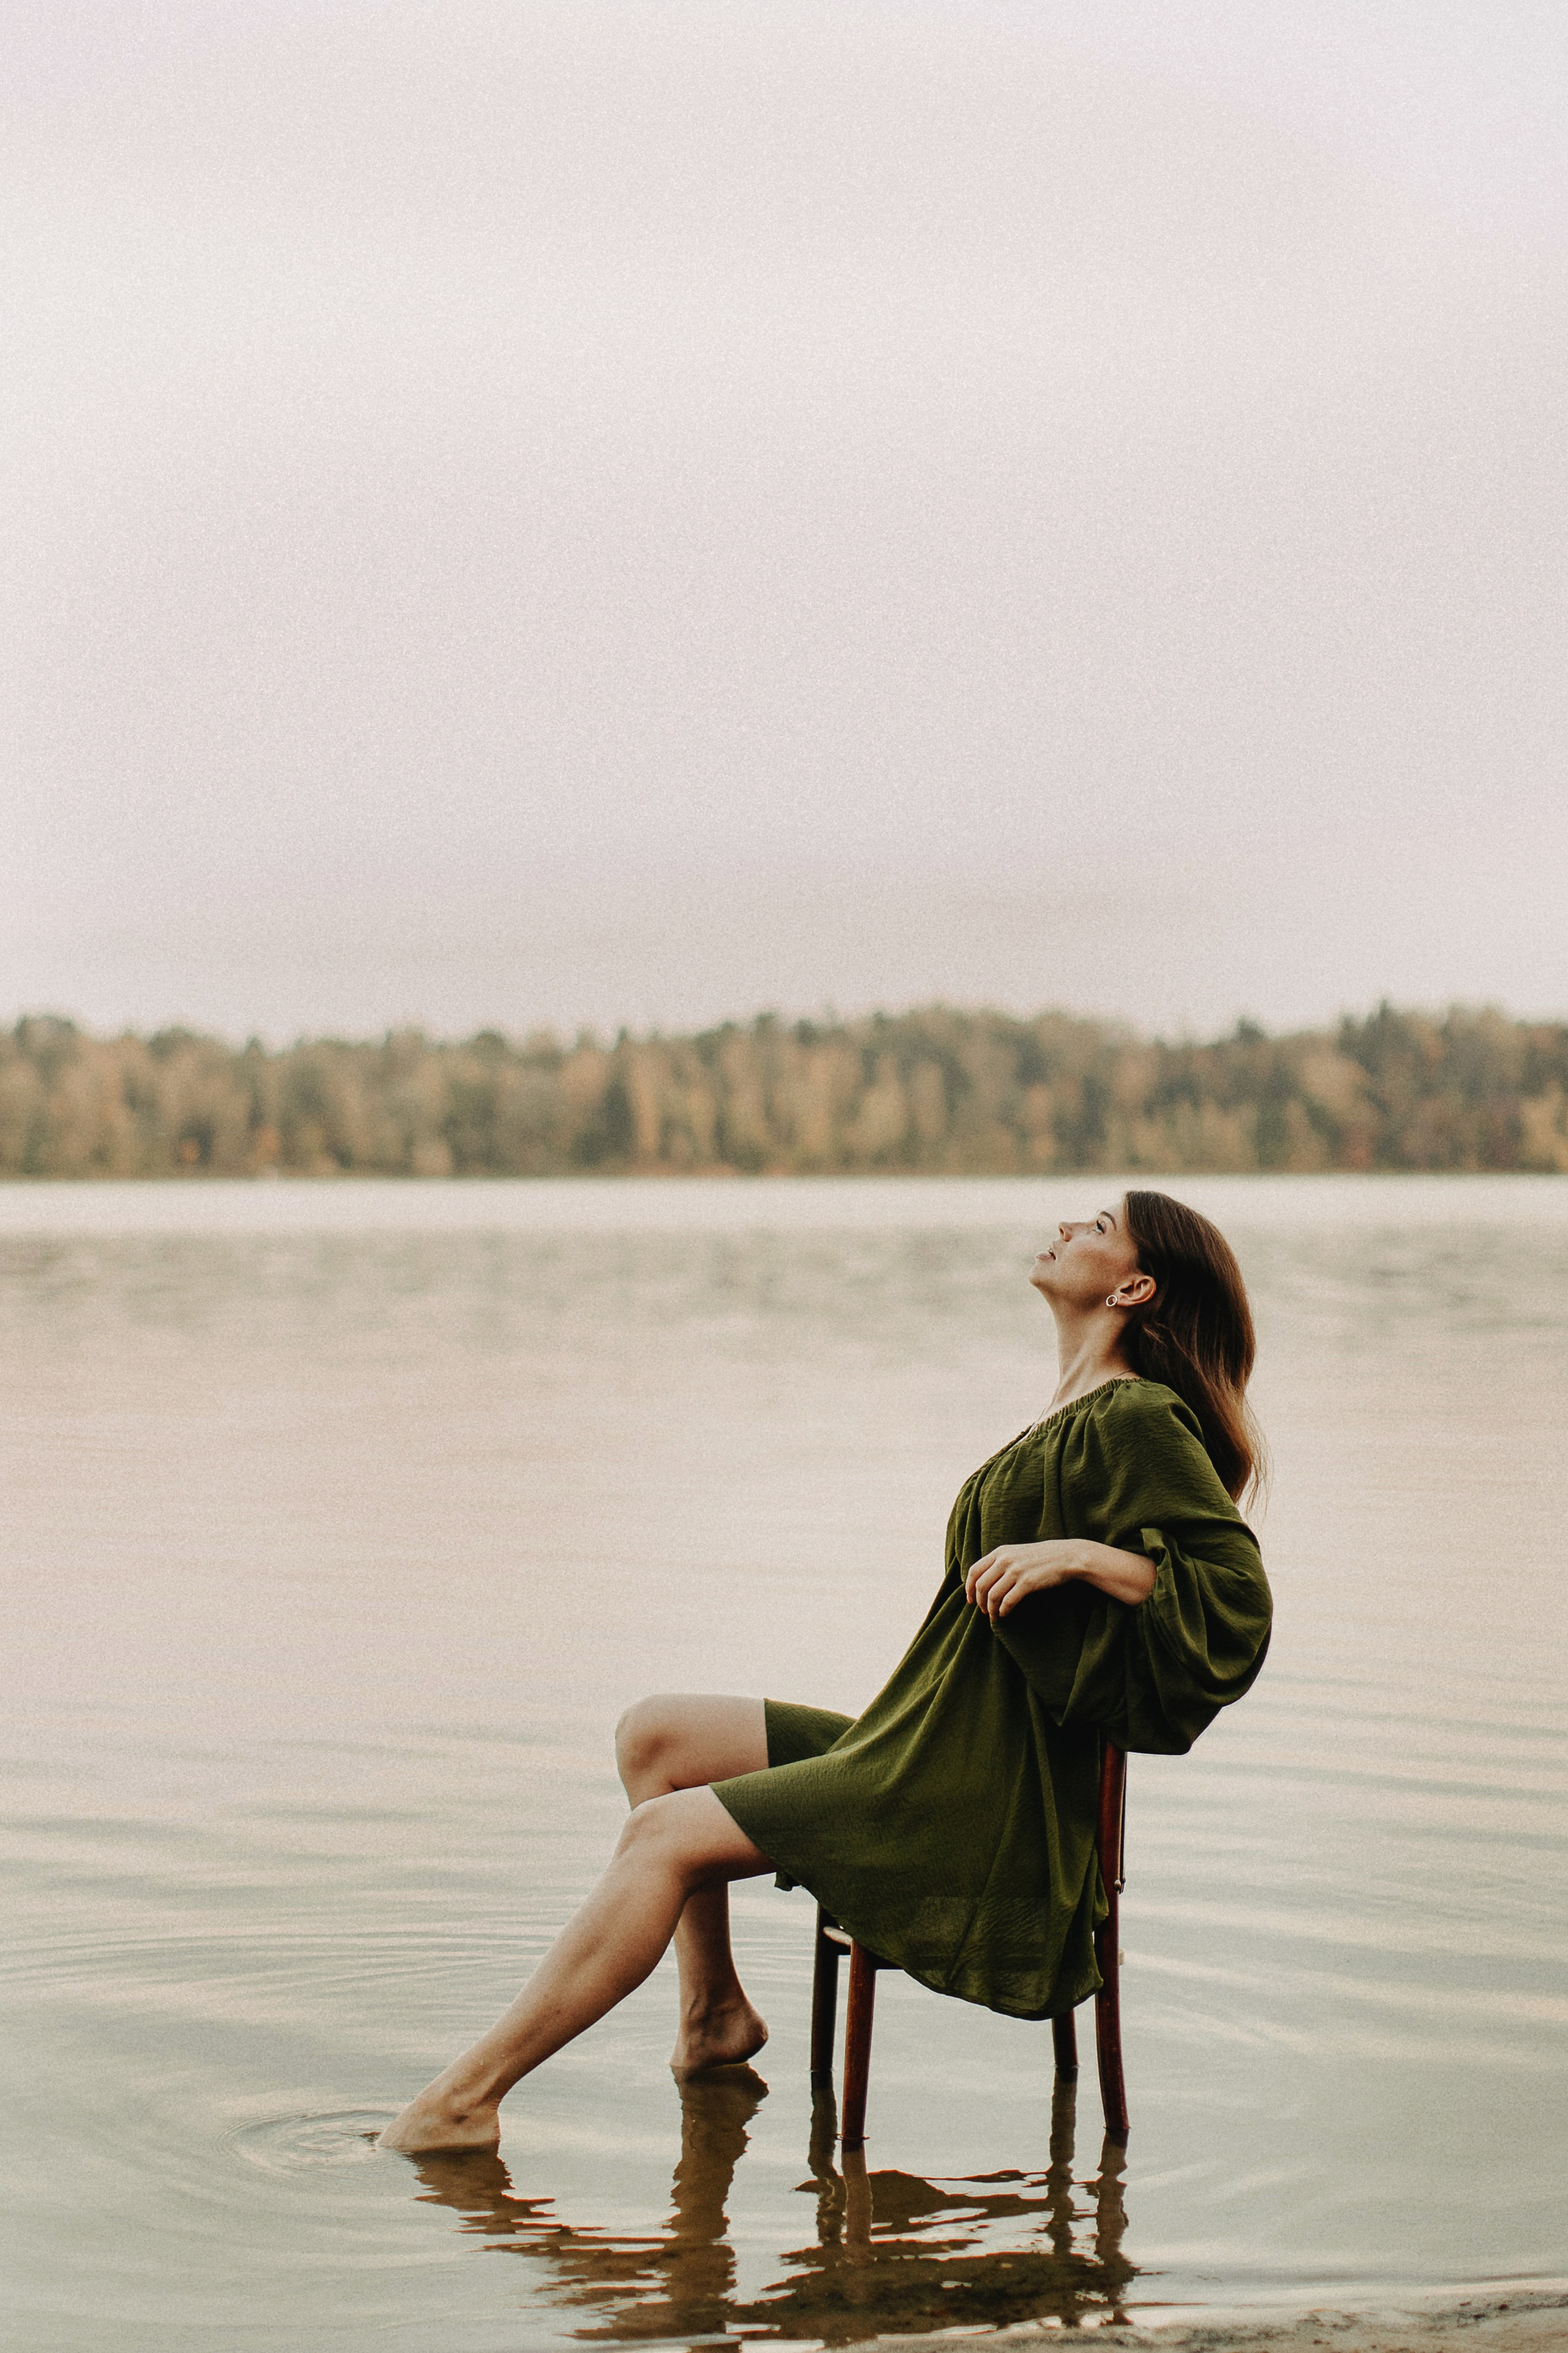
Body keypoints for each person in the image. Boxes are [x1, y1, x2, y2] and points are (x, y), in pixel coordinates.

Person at [380, 1190, 1273, 2155]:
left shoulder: (1137, 1416)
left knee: (663, 1836)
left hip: (979, 1800)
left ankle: (467, 2098)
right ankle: (712, 2014)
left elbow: (1236, 1600)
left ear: (1136, 1286)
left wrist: (1086, 1557)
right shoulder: (1069, 1411)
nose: (1066, 1227)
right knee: (655, 1736)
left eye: (1098, 1228)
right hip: (922, 1740)